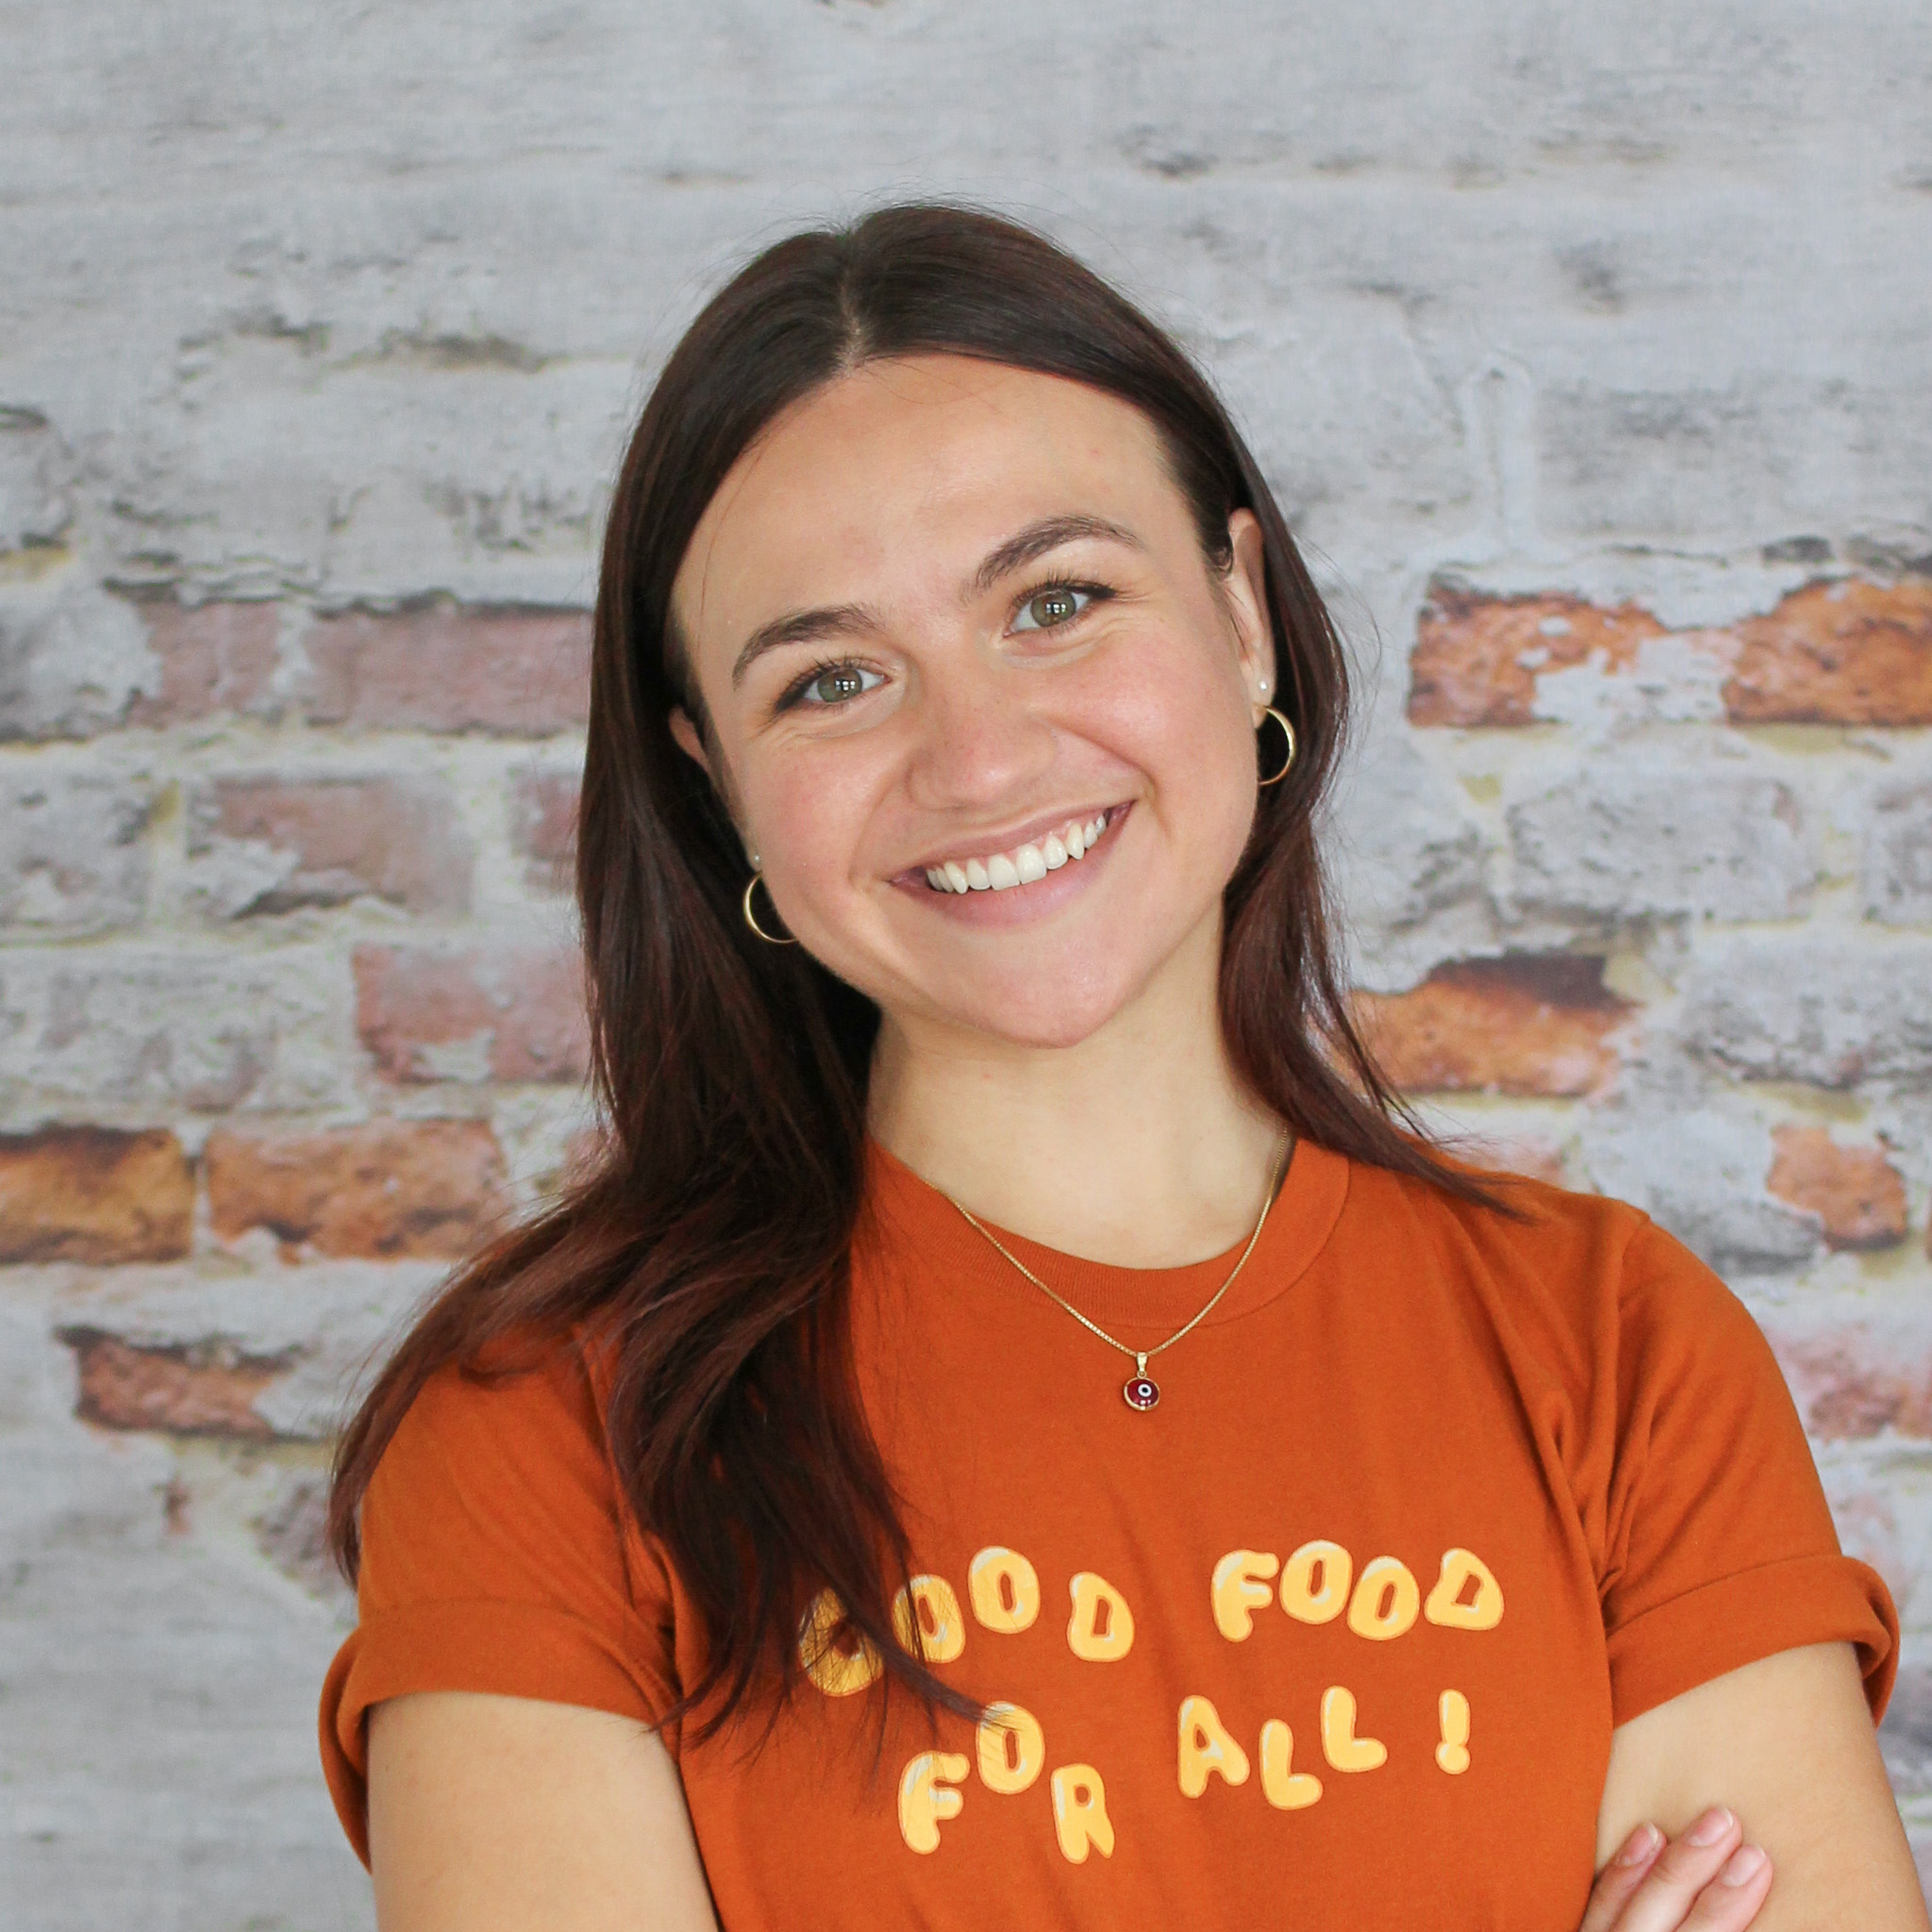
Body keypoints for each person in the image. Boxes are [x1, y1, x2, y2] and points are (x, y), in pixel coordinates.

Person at [317, 206, 1925, 1930]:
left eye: (1058, 600)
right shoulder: (551, 1426)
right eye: (834, 678)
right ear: (716, 786)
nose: (983, 756)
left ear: (1240, 616)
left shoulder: (1615, 1347)